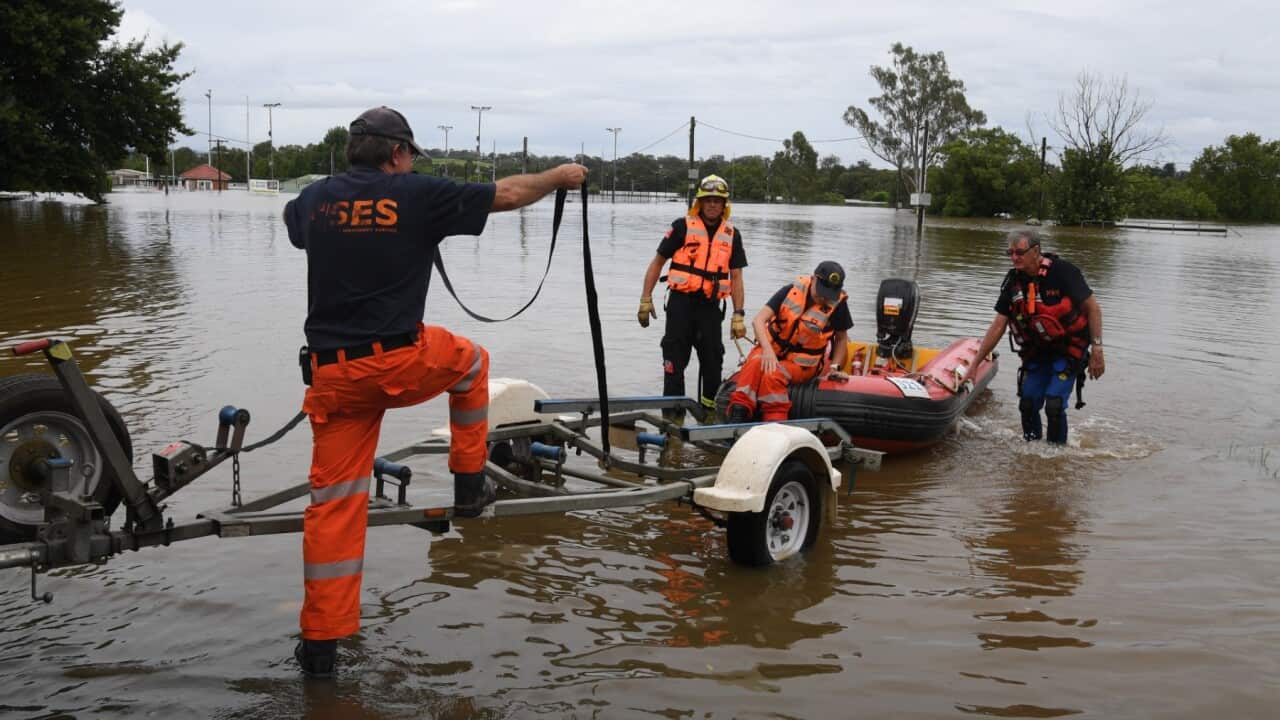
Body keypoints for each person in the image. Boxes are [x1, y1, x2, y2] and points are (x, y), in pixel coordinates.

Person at [283, 106, 586, 677]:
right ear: (398, 153)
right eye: (408, 154)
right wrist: (557, 178)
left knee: (334, 508)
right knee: (473, 363)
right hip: (397, 362)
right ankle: (469, 487)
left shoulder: (315, 200)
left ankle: (321, 646)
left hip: (333, 379)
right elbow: (509, 194)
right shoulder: (417, 193)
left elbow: (294, 221)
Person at [972, 229, 1105, 444]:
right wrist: (974, 365)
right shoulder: (1013, 283)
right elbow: (998, 326)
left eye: (1019, 252)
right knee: (1028, 403)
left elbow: (1094, 309)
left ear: (1036, 251)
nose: (1014, 258)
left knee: (1053, 404)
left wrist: (1097, 349)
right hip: (1038, 353)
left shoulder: (1064, 272)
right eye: (1010, 252)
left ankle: (1056, 454)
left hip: (1069, 351)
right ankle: (1032, 451)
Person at [637, 174, 747, 418]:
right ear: (699, 202)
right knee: (673, 362)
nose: (712, 205)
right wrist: (646, 299)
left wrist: (738, 314)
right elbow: (657, 263)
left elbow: (736, 277)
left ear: (724, 204)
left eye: (717, 201)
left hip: (710, 308)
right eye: (707, 200)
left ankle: (708, 417)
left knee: (713, 362)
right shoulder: (681, 227)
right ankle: (673, 420)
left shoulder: (732, 235)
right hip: (680, 306)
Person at [726, 261, 853, 422]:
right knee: (754, 363)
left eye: (828, 294)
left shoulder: (838, 305)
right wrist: (767, 350)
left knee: (773, 374)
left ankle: (775, 422)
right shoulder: (790, 291)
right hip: (773, 348)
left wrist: (834, 367)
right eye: (821, 292)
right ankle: (738, 414)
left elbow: (841, 339)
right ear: (813, 279)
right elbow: (758, 321)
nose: (823, 298)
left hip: (802, 364)